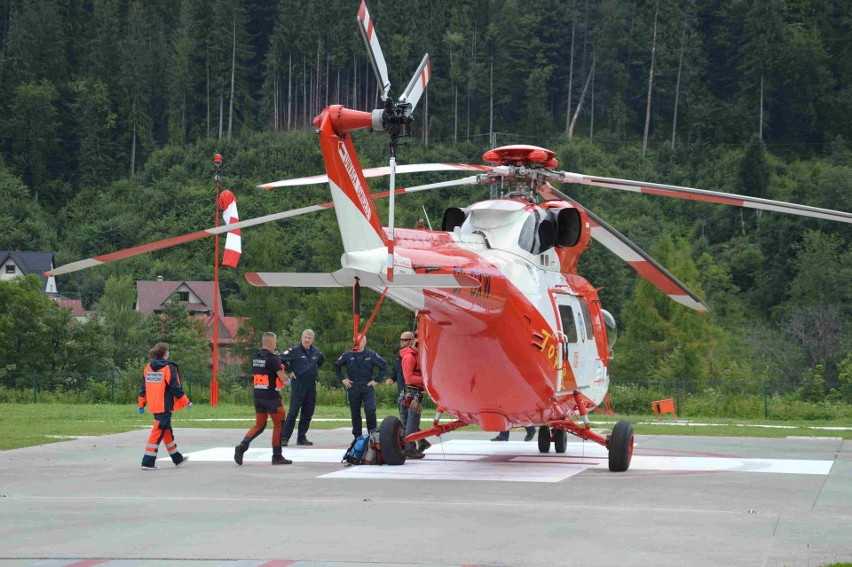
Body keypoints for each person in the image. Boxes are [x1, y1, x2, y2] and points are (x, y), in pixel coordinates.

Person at [234, 332, 292, 466]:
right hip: (272, 397)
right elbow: (282, 377)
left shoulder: (256, 357)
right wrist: (289, 381)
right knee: (279, 423)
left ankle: (243, 445)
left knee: (260, 425)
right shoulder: (273, 358)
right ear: (272, 343)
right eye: (275, 342)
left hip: (258, 396)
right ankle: (277, 456)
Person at [138, 342, 191, 470]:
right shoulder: (168, 367)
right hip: (165, 406)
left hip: (155, 405)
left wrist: (141, 404)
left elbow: (143, 388)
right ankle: (147, 462)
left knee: (167, 431)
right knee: (157, 432)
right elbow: (175, 387)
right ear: (165, 353)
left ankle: (177, 458)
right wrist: (186, 401)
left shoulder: (148, 368)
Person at [334, 335, 387, 439]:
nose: (357, 343)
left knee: (370, 410)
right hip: (353, 387)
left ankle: (373, 435)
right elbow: (337, 365)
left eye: (360, 341)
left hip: (367, 387)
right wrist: (343, 379)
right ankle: (357, 436)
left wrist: (376, 380)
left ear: (365, 342)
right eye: (355, 341)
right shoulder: (348, 355)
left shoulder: (371, 354)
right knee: (355, 412)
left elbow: (383, 366)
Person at [279, 329, 325, 446]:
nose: (307, 340)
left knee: (308, 412)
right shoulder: (294, 350)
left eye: (309, 338)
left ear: (312, 339)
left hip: (311, 385)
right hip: (298, 385)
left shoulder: (316, 351)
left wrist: (313, 370)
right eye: (305, 337)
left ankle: (301, 437)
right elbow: (280, 359)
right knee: (293, 412)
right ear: (301, 337)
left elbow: (320, 361)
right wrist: (290, 370)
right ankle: (284, 438)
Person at [398, 331, 426, 459]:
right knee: (412, 424)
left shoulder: (412, 355)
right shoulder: (409, 357)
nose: (402, 342)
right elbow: (409, 378)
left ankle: (411, 446)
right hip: (413, 394)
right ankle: (410, 448)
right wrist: (427, 380)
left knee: (407, 423)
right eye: (402, 340)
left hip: (409, 394)